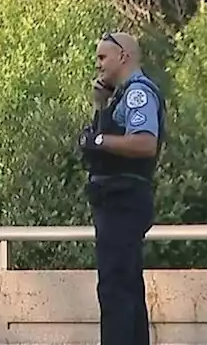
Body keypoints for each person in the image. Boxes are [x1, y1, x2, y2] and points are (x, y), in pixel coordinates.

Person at [77, 31, 165, 345]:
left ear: (123, 56)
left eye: (103, 57)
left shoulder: (138, 93)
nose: (98, 64)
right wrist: (100, 108)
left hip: (123, 201)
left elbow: (144, 142)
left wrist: (99, 140)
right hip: (115, 202)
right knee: (124, 286)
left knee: (116, 289)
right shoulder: (119, 96)